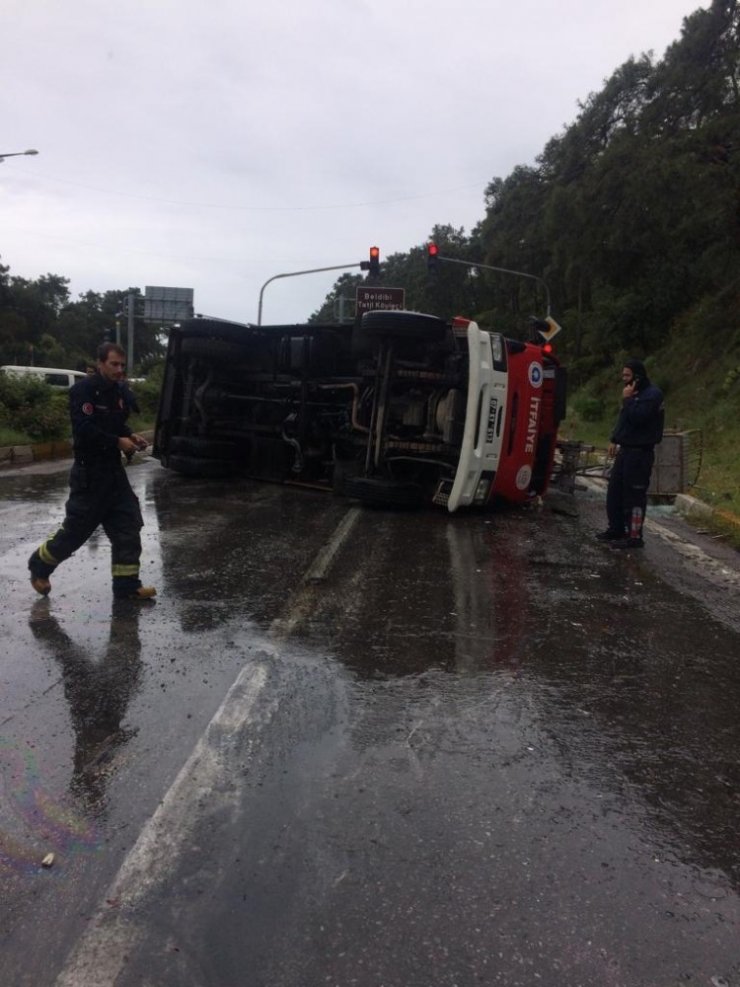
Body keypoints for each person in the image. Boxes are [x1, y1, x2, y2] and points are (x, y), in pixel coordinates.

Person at [27, 342, 156, 600]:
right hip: (90, 475)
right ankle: (39, 566)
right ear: (100, 364)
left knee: (128, 526)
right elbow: (84, 429)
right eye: (114, 364)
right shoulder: (83, 391)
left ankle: (127, 587)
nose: (119, 369)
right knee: (76, 531)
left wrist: (130, 434)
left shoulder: (118, 392)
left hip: (114, 475)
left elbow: (116, 423)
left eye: (122, 365)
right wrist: (117, 441)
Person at [596, 358, 664, 549]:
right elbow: (624, 419)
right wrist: (614, 438)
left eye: (627, 375)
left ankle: (634, 536)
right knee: (614, 493)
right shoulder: (632, 394)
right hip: (625, 451)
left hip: (640, 454)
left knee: (633, 496)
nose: (624, 379)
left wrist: (627, 399)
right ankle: (616, 529)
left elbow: (638, 418)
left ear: (638, 376)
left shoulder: (652, 395)